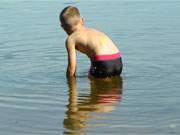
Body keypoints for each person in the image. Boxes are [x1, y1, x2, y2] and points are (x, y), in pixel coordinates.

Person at [59, 6, 123, 78]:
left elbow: (71, 68)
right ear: (82, 20)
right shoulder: (94, 31)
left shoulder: (71, 39)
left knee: (93, 84)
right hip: (118, 60)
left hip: (103, 62)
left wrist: (70, 82)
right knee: (113, 86)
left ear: (62, 27)